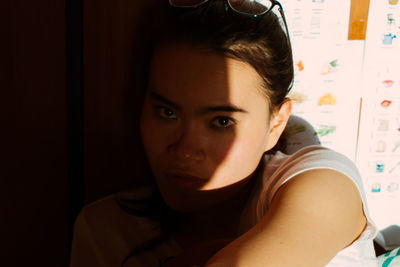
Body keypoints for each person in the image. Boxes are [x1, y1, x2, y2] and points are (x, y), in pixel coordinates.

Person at [69, 0, 378, 266]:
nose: (186, 149)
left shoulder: (323, 183)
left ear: (276, 123)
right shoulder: (106, 230)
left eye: (221, 121)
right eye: (167, 112)